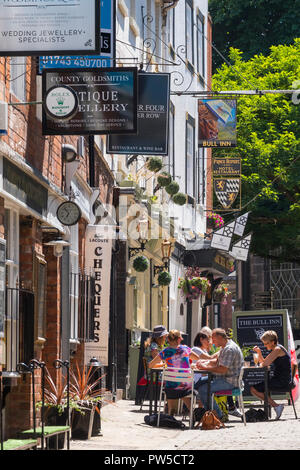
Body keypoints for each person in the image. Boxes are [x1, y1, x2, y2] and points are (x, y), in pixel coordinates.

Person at [194, 328, 244, 421]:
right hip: (224, 378)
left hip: (230, 382)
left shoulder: (229, 349)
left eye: (214, 339)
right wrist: (203, 363)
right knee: (197, 384)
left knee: (204, 389)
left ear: (220, 337)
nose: (212, 342)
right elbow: (216, 361)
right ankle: (209, 413)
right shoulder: (225, 346)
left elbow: (222, 369)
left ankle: (218, 416)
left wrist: (204, 367)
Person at [149, 329, 199, 416]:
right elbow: (197, 357)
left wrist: (164, 365)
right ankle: (191, 411)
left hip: (171, 388)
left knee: (172, 386)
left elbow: (150, 365)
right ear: (179, 339)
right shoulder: (186, 349)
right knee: (183, 388)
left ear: (168, 339)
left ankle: (171, 411)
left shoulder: (165, 352)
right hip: (186, 387)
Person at [250, 330, 293, 420]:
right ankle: (276, 406)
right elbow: (265, 362)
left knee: (253, 389)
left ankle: (277, 406)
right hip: (280, 379)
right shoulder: (276, 349)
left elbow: (264, 364)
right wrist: (259, 352)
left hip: (282, 381)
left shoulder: (277, 350)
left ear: (273, 342)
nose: (265, 346)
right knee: (256, 388)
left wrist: (262, 362)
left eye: (266, 343)